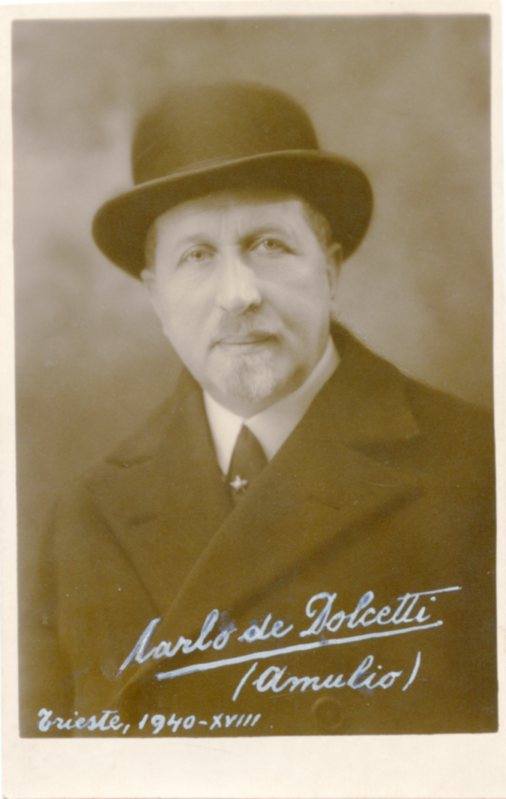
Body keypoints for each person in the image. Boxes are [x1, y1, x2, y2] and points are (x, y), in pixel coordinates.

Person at [23, 82, 496, 737]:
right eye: (197, 256)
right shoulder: (86, 517)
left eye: (269, 245)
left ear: (329, 270)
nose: (238, 294)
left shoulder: (478, 471)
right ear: (157, 298)